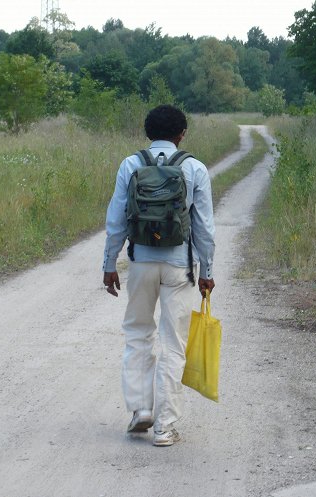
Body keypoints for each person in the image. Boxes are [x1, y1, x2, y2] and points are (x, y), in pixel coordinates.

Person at [102, 104, 216, 447]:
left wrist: (109, 264)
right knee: (173, 343)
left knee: (137, 333)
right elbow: (204, 228)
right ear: (182, 134)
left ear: (147, 133)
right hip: (178, 266)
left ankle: (140, 411)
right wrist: (207, 271)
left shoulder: (130, 164)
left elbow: (116, 221)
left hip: (140, 263)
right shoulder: (194, 168)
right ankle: (165, 427)